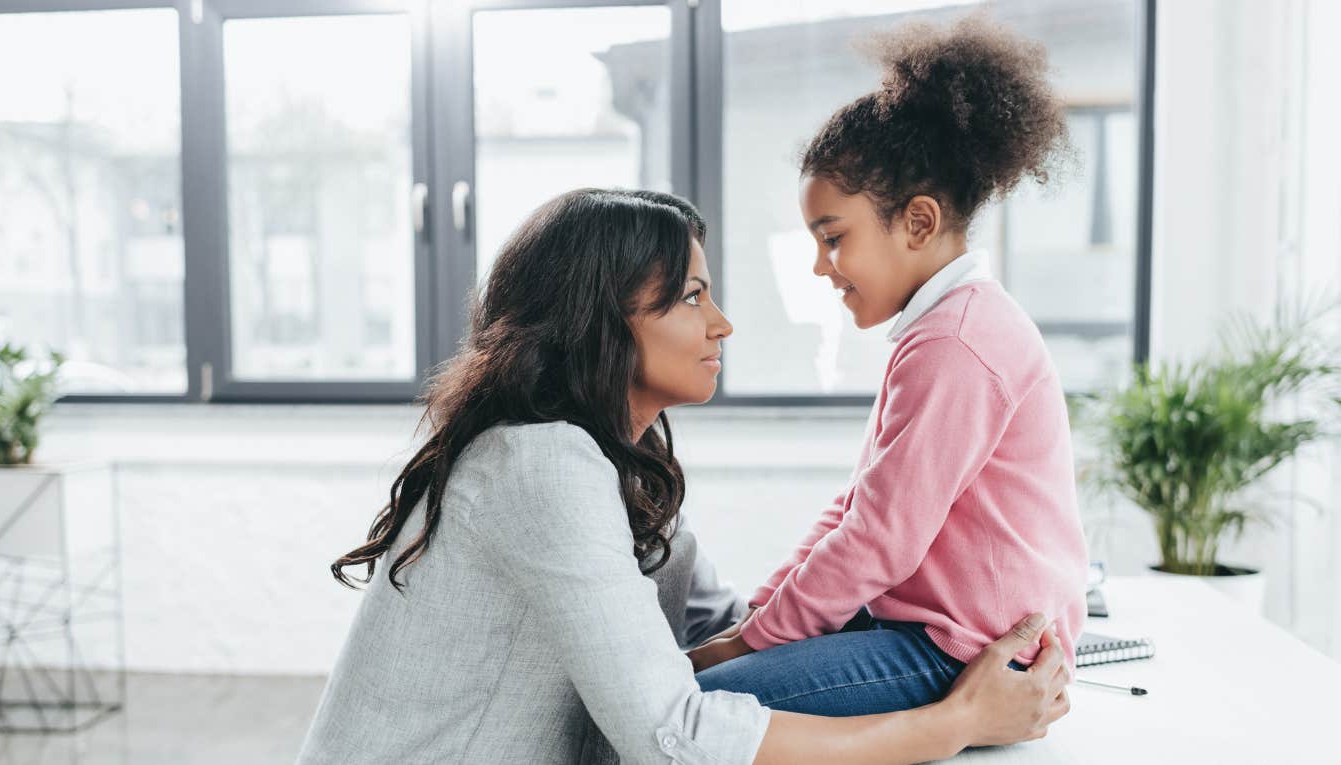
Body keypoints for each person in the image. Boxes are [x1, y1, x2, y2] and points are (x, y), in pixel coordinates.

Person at [297, 188, 1070, 764]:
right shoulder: (538, 466)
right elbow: (674, 736)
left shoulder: (615, 471)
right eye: (692, 296)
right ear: (601, 322)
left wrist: (891, 636)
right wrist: (957, 719)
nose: (722, 322)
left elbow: (721, 629)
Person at [687, 14, 1090, 719]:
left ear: (919, 222)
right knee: (702, 676)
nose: (821, 267)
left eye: (833, 238)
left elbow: (878, 540)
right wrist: (757, 619)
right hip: (926, 629)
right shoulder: (945, 328)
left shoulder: (956, 344)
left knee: (690, 708)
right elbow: (859, 508)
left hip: (957, 651)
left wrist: (747, 643)